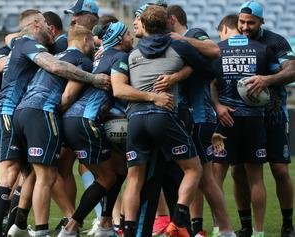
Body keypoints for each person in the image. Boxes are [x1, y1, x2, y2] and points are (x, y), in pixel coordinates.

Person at [0, 9, 110, 237]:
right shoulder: (28, 44)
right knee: (18, 173)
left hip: (19, 111)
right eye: (45, 24)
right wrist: (94, 78)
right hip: (11, 109)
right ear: (36, 25)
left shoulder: (30, 44)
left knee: (28, 173)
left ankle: (18, 225)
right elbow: (55, 67)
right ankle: (7, 231)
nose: (50, 28)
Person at [57, 21, 170, 237]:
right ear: (119, 39)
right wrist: (152, 96)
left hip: (75, 120)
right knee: (107, 177)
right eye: (128, 34)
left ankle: (106, 224)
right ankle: (72, 226)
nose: (131, 37)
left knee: (119, 169)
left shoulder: (100, 55)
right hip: (86, 120)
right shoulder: (119, 57)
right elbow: (119, 90)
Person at [118, 5, 212, 237]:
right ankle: (178, 221)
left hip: (135, 120)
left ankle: (128, 230)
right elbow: (208, 67)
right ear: (168, 24)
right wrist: (177, 75)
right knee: (193, 169)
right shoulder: (178, 46)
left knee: (134, 179)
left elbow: (120, 88)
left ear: (145, 25)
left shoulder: (133, 54)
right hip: (163, 116)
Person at [166, 5, 235, 237]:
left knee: (204, 177)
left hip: (199, 116)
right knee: (196, 175)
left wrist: (182, 40)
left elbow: (214, 49)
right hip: (190, 116)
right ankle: (198, 227)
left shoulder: (193, 34)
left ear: (172, 20)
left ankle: (225, 229)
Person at [227, 2, 295, 237]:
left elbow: (292, 70)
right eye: (241, 22)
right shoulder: (234, 44)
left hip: (273, 116)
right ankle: (246, 226)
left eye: (251, 23)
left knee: (280, 170)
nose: (245, 27)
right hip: (243, 118)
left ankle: (287, 224)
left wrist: (266, 80)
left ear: (262, 22)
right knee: (237, 172)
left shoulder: (275, 41)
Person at [211, 13, 280, 237]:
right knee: (256, 178)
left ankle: (219, 228)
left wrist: (218, 106)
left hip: (224, 120)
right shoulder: (262, 49)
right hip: (253, 121)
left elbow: (209, 83)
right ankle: (258, 232)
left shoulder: (217, 49)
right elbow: (274, 81)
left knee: (216, 177)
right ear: (239, 26)